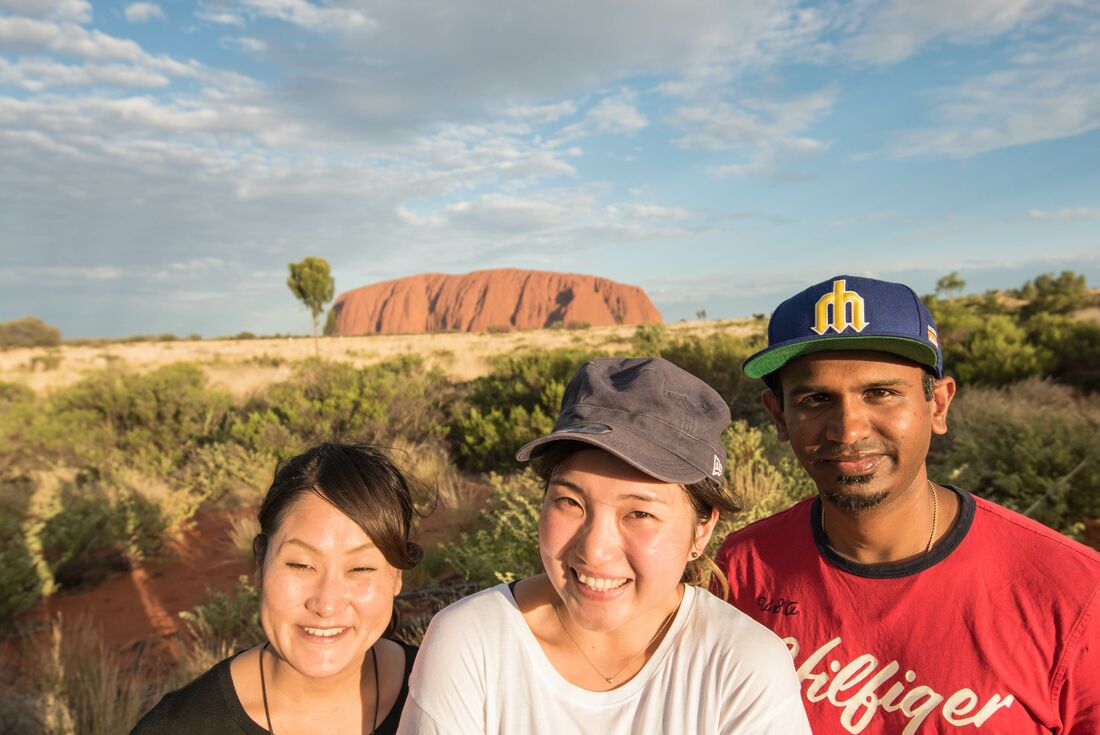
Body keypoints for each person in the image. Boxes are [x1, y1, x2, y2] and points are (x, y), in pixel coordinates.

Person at [714, 275, 1100, 734]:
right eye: (815, 399)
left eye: (881, 393)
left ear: (937, 405)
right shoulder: (741, 569)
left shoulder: (1074, 593)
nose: (849, 430)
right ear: (779, 417)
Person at [399, 357, 811, 734]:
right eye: (570, 502)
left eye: (640, 514)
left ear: (700, 532)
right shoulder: (473, 642)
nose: (595, 549)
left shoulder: (742, 666)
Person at [132, 442, 422, 735]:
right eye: (301, 565)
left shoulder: (444, 690)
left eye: (360, 568)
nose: (326, 604)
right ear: (261, 562)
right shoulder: (178, 727)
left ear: (397, 576)